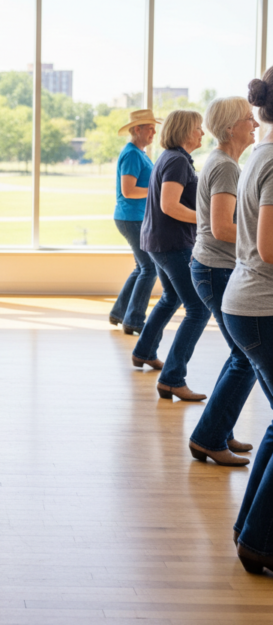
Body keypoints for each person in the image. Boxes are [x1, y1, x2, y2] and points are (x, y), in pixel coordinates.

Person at [187, 97, 259, 466]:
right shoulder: (226, 167)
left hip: (211, 268)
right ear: (231, 128)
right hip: (217, 269)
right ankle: (209, 437)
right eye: (249, 119)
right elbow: (222, 228)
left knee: (240, 356)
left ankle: (219, 429)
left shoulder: (224, 162)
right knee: (245, 358)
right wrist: (262, 238)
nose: (256, 124)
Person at [222, 70, 273, 574]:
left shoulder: (260, 152)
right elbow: (270, 246)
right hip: (261, 306)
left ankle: (252, 532)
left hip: (249, 303)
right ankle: (258, 542)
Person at [132, 109, 209, 401]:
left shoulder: (172, 157)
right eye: (198, 128)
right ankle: (172, 379)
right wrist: (207, 219)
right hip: (172, 244)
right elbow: (170, 206)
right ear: (186, 131)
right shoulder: (177, 161)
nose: (202, 133)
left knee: (171, 297)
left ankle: (144, 351)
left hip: (158, 241)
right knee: (198, 309)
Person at [109, 110, 160, 335]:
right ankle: (134, 321)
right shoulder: (131, 154)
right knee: (150, 267)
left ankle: (119, 313)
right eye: (150, 128)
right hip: (131, 218)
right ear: (137, 129)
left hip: (135, 217)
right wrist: (157, 191)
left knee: (142, 267)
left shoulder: (139, 153)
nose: (154, 132)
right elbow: (128, 191)